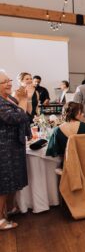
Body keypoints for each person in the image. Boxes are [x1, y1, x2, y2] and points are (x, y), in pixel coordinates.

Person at [0, 70, 31, 230]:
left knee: (12, 181)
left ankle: (9, 210)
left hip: (14, 146)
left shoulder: (9, 98)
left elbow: (26, 115)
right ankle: (0, 220)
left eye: (9, 80)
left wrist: (25, 100)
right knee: (3, 184)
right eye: (4, 82)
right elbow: (16, 118)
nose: (9, 83)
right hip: (4, 148)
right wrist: (24, 100)